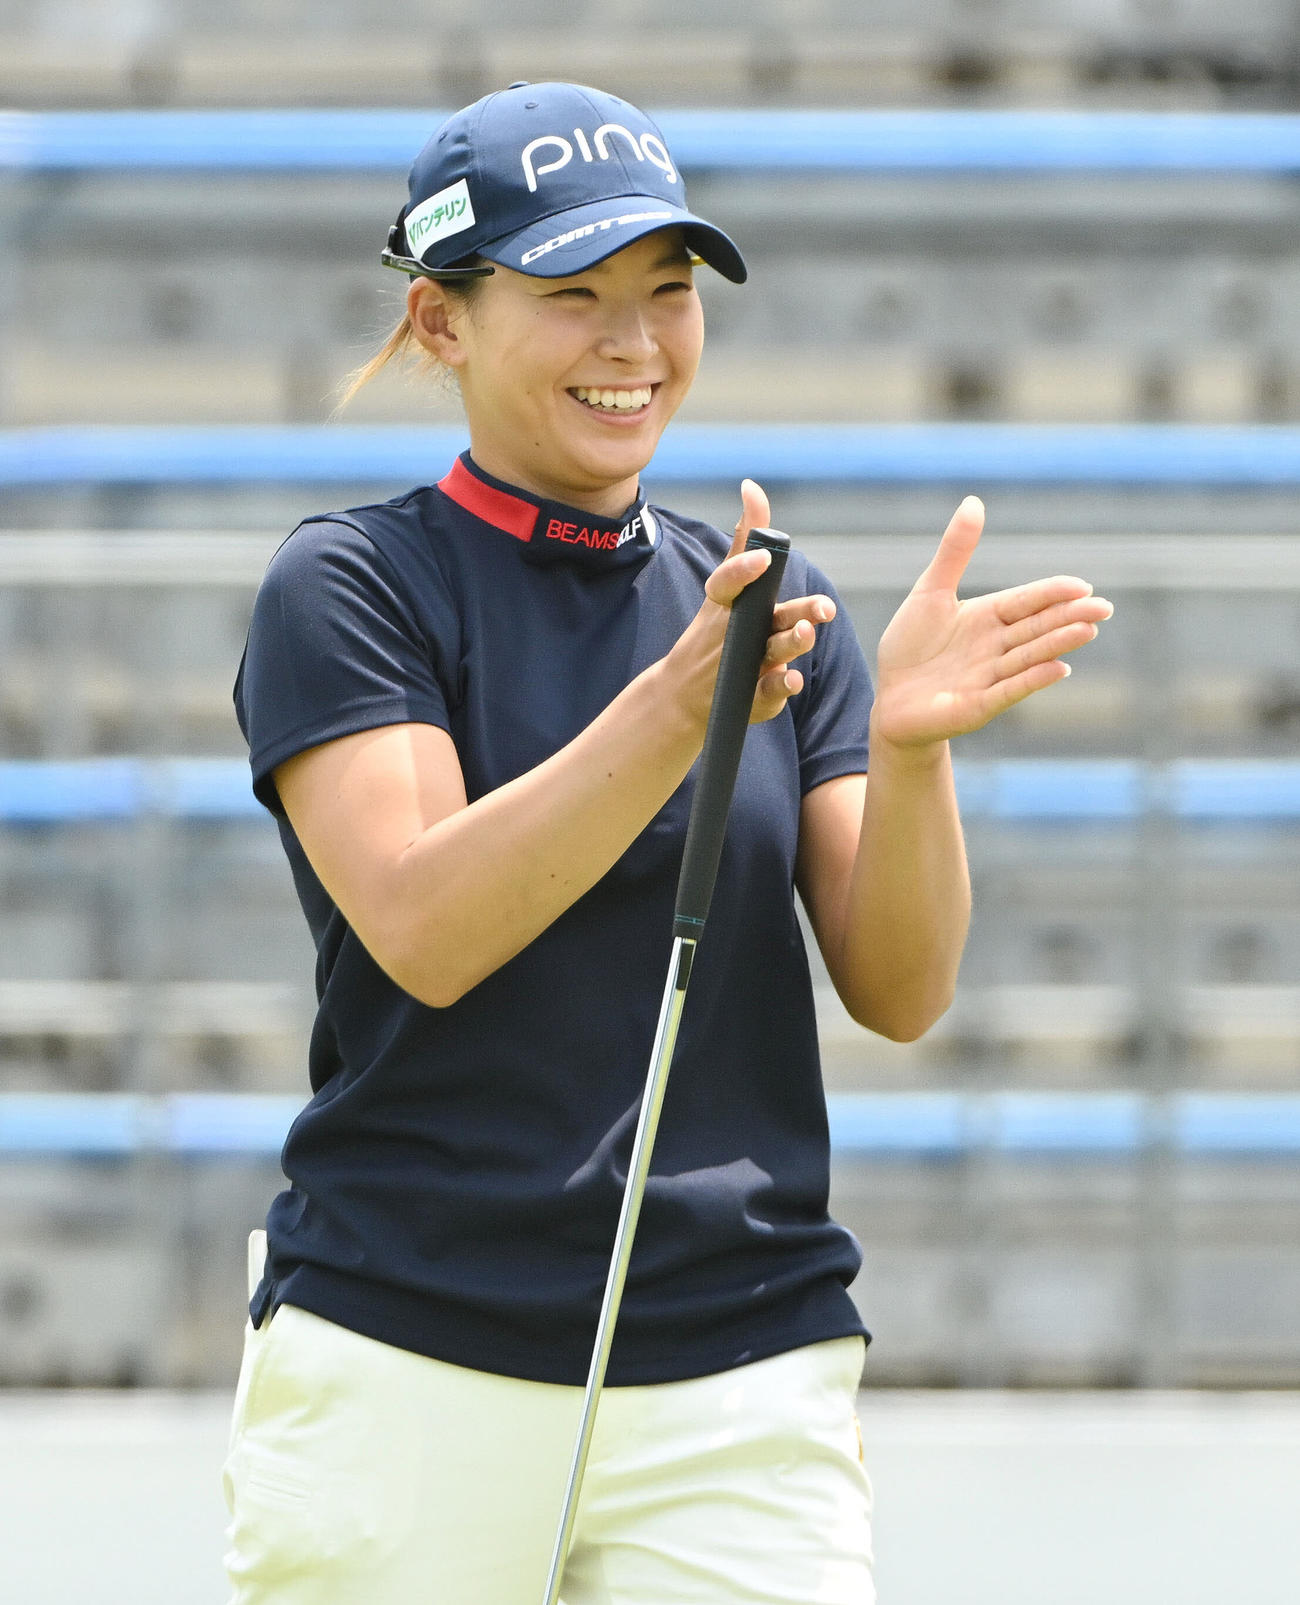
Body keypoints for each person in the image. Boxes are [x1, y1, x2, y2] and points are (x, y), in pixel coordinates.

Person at [224, 80, 1112, 1605]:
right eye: (573, 297)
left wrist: (907, 753)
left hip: (741, 1370)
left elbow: (901, 987)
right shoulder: (352, 586)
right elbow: (429, 926)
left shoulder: (768, 603)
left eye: (668, 291)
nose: (633, 343)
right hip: (412, 1351)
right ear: (442, 323)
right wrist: (673, 709)